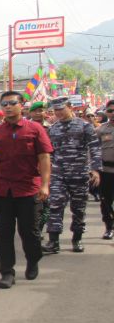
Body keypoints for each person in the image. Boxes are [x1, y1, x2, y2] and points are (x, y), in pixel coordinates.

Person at [0, 91, 52, 288]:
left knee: (30, 232)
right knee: (3, 233)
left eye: (12, 103)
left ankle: (33, 260)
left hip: (28, 189)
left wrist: (45, 184)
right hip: (2, 190)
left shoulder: (35, 129)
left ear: (21, 105)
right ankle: (7, 271)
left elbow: (44, 157)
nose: (7, 107)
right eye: (4, 104)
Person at [42, 98, 102, 254]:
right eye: (55, 110)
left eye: (61, 109)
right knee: (55, 205)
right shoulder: (53, 128)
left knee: (78, 208)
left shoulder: (85, 126)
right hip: (58, 174)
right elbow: (50, 152)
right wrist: (47, 175)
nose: (58, 113)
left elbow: (94, 148)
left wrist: (95, 170)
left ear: (70, 107)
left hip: (80, 173)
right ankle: (53, 241)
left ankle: (77, 238)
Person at [96, 100, 114, 240]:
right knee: (106, 201)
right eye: (110, 111)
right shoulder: (100, 130)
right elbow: (93, 149)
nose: (112, 113)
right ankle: (109, 227)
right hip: (106, 171)